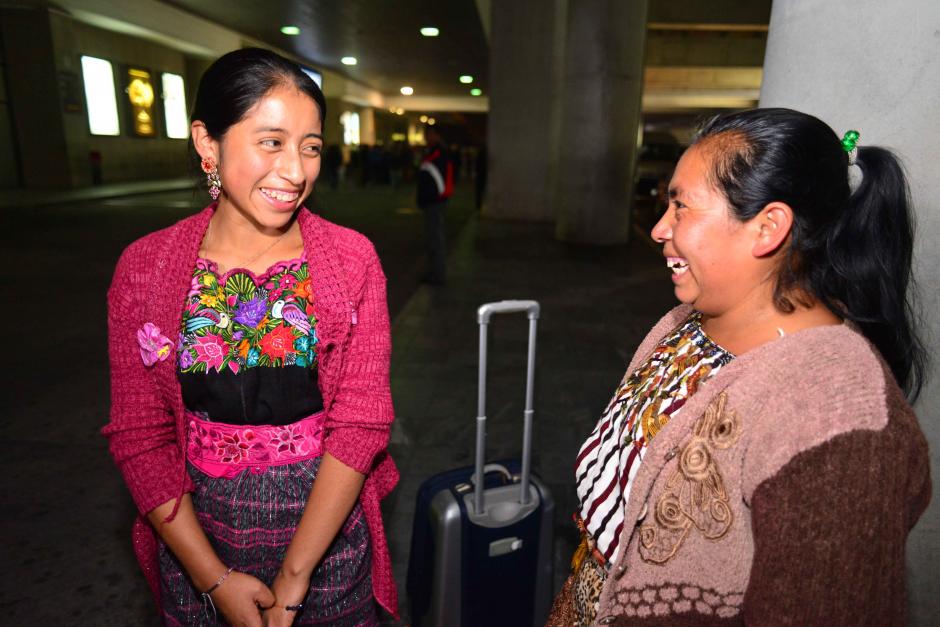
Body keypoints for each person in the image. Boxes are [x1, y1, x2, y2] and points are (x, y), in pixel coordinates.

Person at [547, 108, 931, 626]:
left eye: (682, 207)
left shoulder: (834, 415)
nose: (660, 228)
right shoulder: (687, 322)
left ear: (767, 227)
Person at [102, 48, 398, 626]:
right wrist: (212, 578)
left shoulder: (352, 259)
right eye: (271, 141)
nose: (295, 171)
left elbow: (362, 421)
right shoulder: (145, 268)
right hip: (196, 543)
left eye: (310, 147)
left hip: (329, 546)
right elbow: (140, 435)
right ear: (207, 143)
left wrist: (295, 577)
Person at [416, 126, 454, 285]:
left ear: (436, 135)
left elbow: (440, 182)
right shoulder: (434, 153)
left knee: (435, 240)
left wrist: (430, 198)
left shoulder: (438, 154)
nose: (426, 137)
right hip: (433, 202)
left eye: (429, 134)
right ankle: (434, 273)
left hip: (434, 203)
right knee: (432, 239)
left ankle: (437, 275)